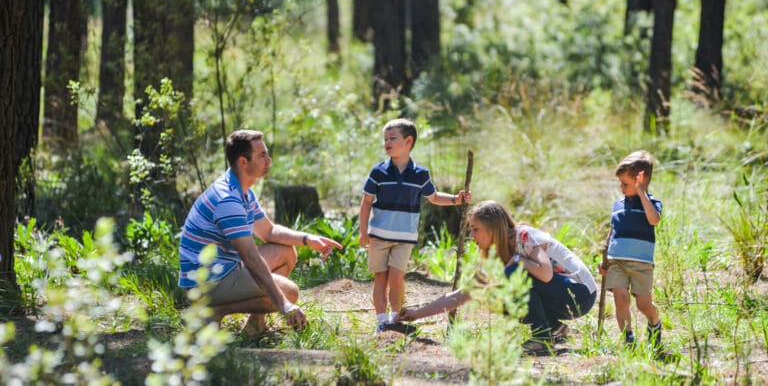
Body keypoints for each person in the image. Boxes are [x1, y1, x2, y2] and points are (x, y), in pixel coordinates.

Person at [178, 129, 343, 334]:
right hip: (205, 282)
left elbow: (269, 231)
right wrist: (284, 305)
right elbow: (250, 258)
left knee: (286, 252)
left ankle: (255, 326)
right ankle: (211, 310)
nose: (269, 160)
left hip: (225, 267)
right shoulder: (228, 199)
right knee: (289, 293)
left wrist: (309, 240)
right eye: (262, 155)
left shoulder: (242, 189)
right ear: (243, 161)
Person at [397, 201, 597, 354]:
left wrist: (519, 260)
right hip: (560, 295)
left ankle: (541, 339)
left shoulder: (524, 236)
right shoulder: (496, 253)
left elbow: (545, 274)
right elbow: (464, 294)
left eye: (476, 229)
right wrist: (416, 315)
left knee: (513, 274)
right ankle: (554, 328)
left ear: (493, 228)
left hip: (580, 293)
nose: (472, 237)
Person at [359, 118, 471, 332]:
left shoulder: (420, 174)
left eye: (393, 138)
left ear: (408, 141)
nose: (387, 142)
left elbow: (434, 197)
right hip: (378, 237)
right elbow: (366, 202)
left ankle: (396, 317)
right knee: (380, 278)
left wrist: (457, 199)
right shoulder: (378, 172)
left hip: (405, 238)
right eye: (385, 139)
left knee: (397, 276)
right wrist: (363, 232)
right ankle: (381, 321)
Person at [598, 150, 662, 348]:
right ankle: (628, 339)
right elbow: (613, 232)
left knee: (643, 304)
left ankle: (654, 322)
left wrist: (642, 192)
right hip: (617, 261)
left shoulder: (652, 204)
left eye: (625, 184)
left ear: (640, 181)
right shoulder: (617, 205)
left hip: (641, 264)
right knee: (621, 299)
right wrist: (606, 260)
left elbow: (654, 219)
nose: (621, 187)